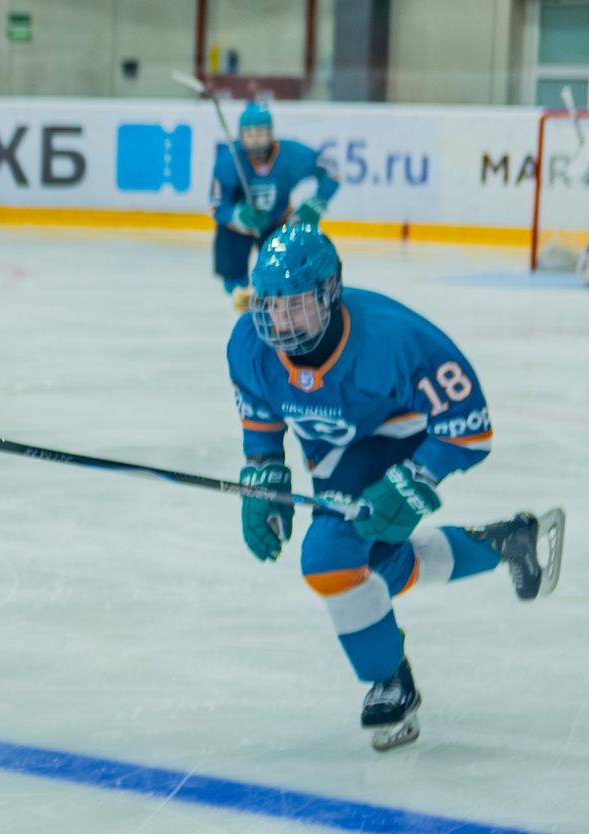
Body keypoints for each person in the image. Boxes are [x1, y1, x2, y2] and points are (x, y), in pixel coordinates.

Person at [228, 225, 563, 750]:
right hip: (340, 454)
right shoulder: (249, 345)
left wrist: (415, 481)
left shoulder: (394, 338)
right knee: (380, 564)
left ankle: (391, 682)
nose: (283, 322)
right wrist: (263, 476)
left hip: (406, 437)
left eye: (298, 306)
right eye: (272, 307)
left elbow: (470, 428)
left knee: (329, 557)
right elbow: (262, 423)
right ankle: (506, 541)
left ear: (330, 292)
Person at [209, 100, 338, 312]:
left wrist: (318, 201)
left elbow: (332, 169)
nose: (254, 140)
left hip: (277, 221)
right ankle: (239, 298)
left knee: (287, 269)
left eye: (259, 133)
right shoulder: (228, 161)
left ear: (270, 132)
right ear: (241, 134)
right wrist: (238, 217)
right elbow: (215, 206)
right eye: (249, 134)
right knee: (232, 275)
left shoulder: (291, 155)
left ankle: (280, 302)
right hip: (237, 229)